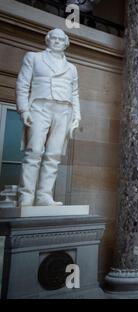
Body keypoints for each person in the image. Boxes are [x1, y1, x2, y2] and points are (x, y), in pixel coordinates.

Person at [16, 28, 80, 206]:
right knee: (34, 151)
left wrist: (76, 117)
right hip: (39, 107)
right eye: (54, 38)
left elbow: (74, 93)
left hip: (63, 111)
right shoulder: (34, 58)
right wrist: (24, 110)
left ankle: (44, 195)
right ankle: (26, 196)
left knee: (53, 155)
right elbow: (22, 85)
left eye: (61, 39)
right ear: (48, 40)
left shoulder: (71, 68)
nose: (57, 42)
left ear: (66, 43)